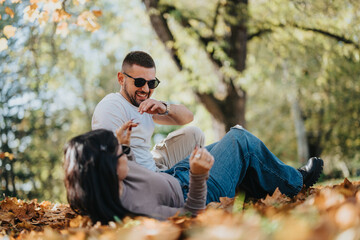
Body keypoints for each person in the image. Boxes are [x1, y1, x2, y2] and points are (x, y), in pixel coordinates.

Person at [64, 123, 324, 224]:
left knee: (230, 150)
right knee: (240, 139)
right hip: (199, 191)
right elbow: (191, 215)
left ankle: (258, 187)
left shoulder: (109, 181)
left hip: (177, 174)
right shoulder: (136, 207)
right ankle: (296, 182)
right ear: (107, 167)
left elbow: (131, 168)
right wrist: (199, 177)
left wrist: (122, 145)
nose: (124, 155)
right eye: (118, 154)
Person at [92, 51, 204, 172]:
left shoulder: (147, 105)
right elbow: (110, 162)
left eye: (151, 83)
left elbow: (188, 117)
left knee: (195, 134)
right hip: (144, 177)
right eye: (139, 82)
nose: (145, 89)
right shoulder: (111, 107)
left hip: (154, 164)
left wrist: (165, 107)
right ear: (121, 79)